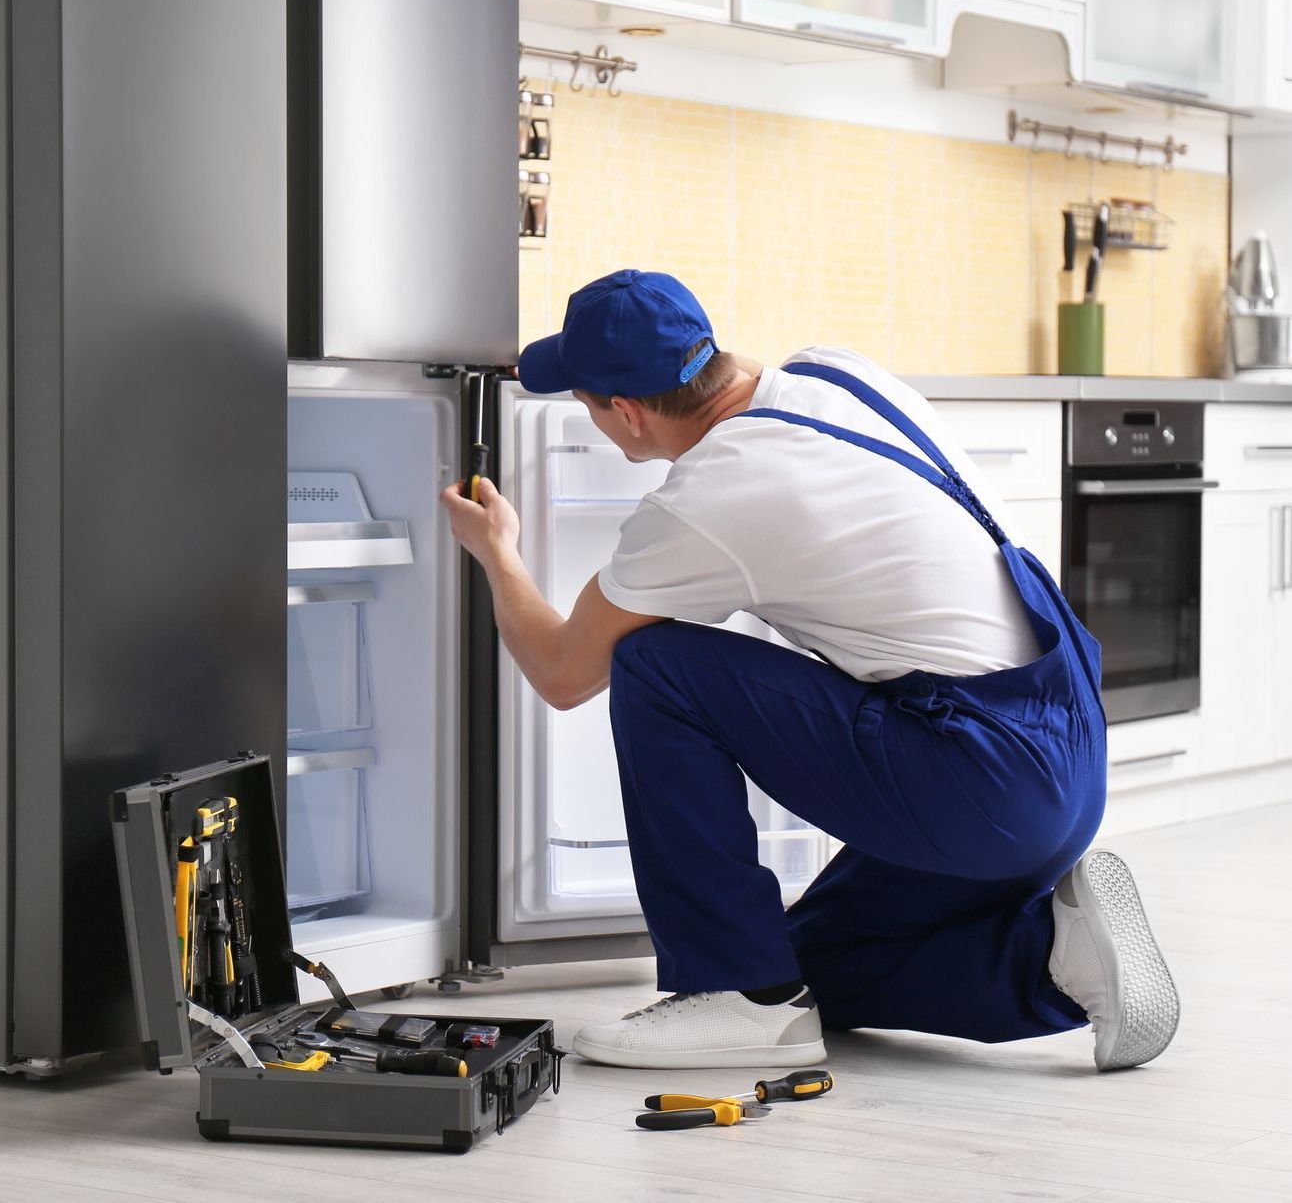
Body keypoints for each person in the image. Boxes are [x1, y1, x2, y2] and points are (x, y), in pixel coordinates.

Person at [439, 268, 1180, 1072]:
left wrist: (499, 553)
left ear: (626, 412)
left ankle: (735, 993)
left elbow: (561, 672)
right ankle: (1055, 961)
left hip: (979, 779)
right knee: (806, 970)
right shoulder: (837, 372)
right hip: (1063, 750)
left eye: (587, 403)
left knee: (656, 664)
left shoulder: (708, 496)